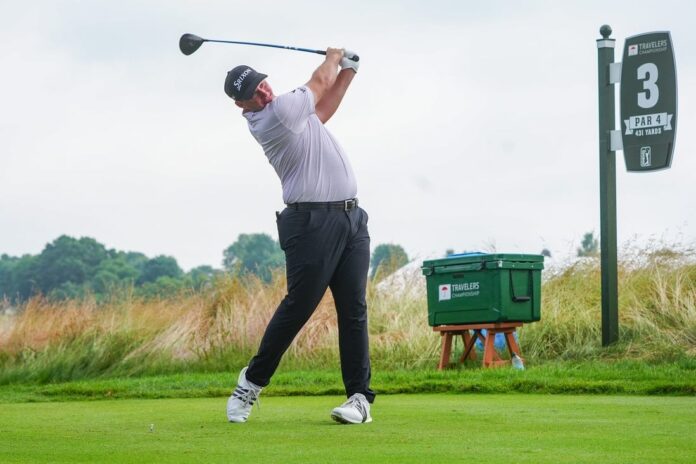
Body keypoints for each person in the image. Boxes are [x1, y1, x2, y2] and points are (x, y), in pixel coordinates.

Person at [223, 48, 374, 424]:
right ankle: (251, 382)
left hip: (351, 219)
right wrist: (334, 57)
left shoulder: (291, 113)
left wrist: (349, 71)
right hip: (310, 224)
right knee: (299, 307)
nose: (263, 92)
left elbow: (322, 111)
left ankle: (359, 399)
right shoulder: (274, 115)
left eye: (262, 83)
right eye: (253, 93)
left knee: (353, 309)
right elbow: (320, 82)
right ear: (242, 105)